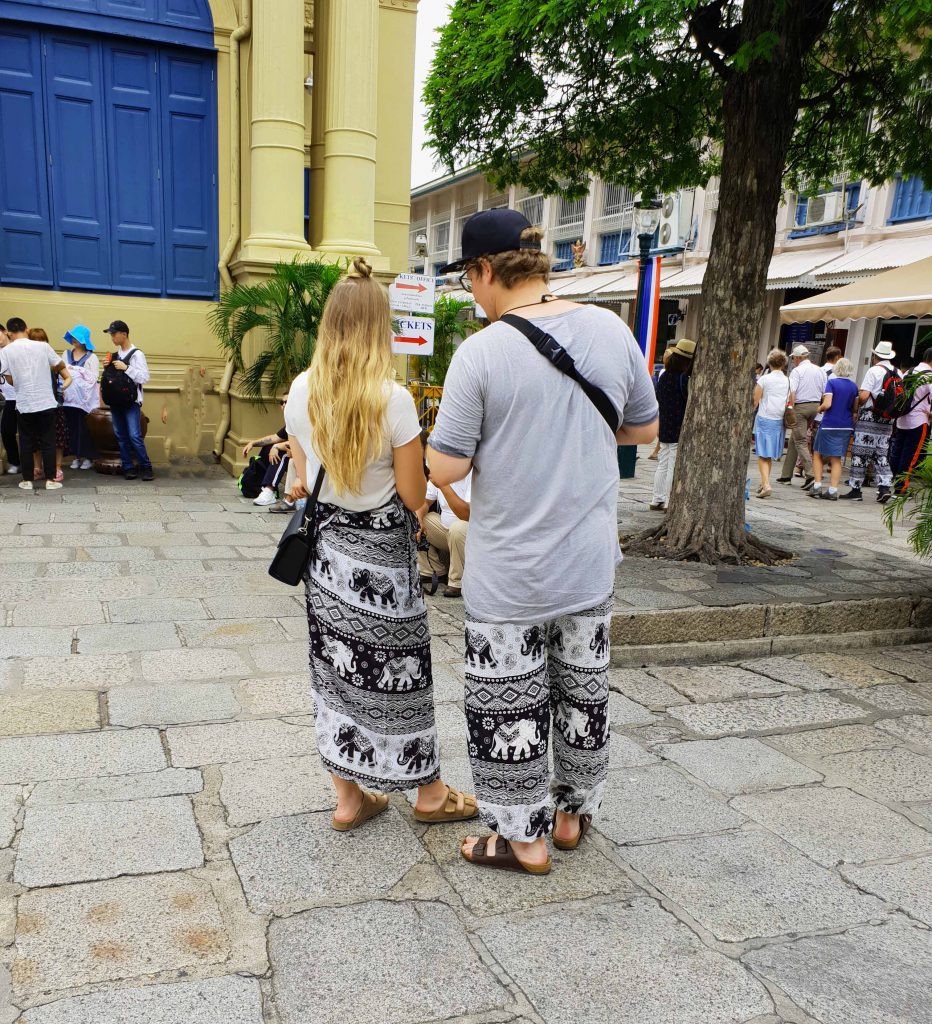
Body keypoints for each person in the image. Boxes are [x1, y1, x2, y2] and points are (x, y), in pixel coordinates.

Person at [428, 208, 658, 875]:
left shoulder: (482, 353)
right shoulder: (610, 330)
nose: (471, 293)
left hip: (509, 573)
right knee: (583, 692)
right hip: (587, 564)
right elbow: (644, 429)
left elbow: (445, 467)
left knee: (509, 701)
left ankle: (519, 839)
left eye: (469, 279)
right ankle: (569, 815)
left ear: (486, 270)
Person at [284, 257, 477, 833]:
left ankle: (349, 796)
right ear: (379, 326)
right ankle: (429, 792)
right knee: (401, 670)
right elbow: (415, 494)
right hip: (382, 560)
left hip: (326, 557)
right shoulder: (391, 400)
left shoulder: (300, 390)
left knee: (336, 670)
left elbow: (301, 469)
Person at [0, 317, 72, 491]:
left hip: (24, 403)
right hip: (46, 401)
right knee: (48, 440)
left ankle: (27, 480)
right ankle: (50, 480)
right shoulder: (43, 346)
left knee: (26, 442)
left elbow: (9, 380)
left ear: (9, 332)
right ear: (27, 328)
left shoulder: (6, 351)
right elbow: (61, 368)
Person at [841, 340, 899, 502]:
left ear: (875, 356)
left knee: (860, 452)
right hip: (888, 419)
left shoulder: (874, 371)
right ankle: (884, 487)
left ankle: (856, 489)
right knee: (881, 452)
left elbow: (865, 395)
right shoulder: (897, 372)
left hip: (870, 417)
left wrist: (856, 405)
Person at [103, 321, 154, 481]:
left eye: (114, 333)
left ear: (124, 334)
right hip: (116, 401)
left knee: (134, 436)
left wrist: (126, 368)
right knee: (121, 435)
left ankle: (146, 467)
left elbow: (144, 377)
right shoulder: (115, 354)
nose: (112, 337)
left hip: (131, 402)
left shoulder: (137, 354)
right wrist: (107, 366)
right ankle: (128, 467)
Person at [650, 338, 694, 511]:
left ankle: (657, 498)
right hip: (678, 424)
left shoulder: (664, 376)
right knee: (673, 464)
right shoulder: (683, 379)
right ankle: (669, 500)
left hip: (665, 423)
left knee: (663, 461)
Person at [809, 358, 859, 500]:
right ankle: (832, 490)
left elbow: (827, 404)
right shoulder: (854, 386)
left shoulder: (831, 383)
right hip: (845, 425)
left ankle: (817, 486)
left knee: (818, 454)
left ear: (837, 369)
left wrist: (818, 409)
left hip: (830, 423)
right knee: (836, 458)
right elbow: (855, 408)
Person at [416, 470, 471, 598]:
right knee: (417, 519)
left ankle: (457, 582)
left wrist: (443, 484)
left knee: (458, 527)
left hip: (469, 534)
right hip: (446, 532)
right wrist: (418, 519)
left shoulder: (472, 473)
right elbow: (424, 502)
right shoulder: (441, 470)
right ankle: (432, 570)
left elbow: (466, 515)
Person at [778, 344, 826, 489]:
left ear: (799, 358)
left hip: (800, 406)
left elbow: (792, 392)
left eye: (793, 358)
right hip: (815, 406)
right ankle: (786, 475)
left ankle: (811, 474)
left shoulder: (797, 371)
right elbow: (824, 391)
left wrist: (790, 408)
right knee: (795, 438)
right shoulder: (820, 370)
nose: (793, 361)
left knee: (800, 440)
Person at [889, 346, 932, 495]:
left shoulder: (909, 371)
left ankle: (889, 482)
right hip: (918, 421)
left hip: (902, 419)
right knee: (910, 456)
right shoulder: (930, 376)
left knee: (897, 452)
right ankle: (901, 488)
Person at [27, 329, 66, 482]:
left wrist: (61, 388)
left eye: (42, 340)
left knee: (57, 438)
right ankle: (38, 467)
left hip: (53, 403)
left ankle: (57, 467)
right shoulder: (27, 361)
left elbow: (67, 376)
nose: (40, 344)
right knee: (35, 438)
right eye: (36, 341)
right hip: (34, 403)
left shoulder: (52, 360)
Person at [753, 348, 790, 498]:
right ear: (783, 364)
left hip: (764, 416)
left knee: (762, 454)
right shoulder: (788, 380)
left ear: (769, 363)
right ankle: (764, 482)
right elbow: (791, 400)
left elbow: (755, 400)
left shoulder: (764, 379)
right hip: (779, 419)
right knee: (768, 454)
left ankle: (766, 484)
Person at [62, 325, 100, 470]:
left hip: (85, 400)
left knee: (84, 427)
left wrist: (77, 373)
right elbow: (62, 371)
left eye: (76, 337)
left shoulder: (92, 357)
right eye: (72, 337)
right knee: (71, 427)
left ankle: (87, 456)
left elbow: (93, 378)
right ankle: (76, 456)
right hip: (68, 398)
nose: (73, 340)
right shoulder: (66, 354)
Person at [242, 403, 292, 507]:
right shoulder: (291, 423)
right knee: (267, 448)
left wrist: (277, 447)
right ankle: (261, 485)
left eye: (287, 402)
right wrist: (253, 443)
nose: (284, 405)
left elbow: (300, 444)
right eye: (282, 403)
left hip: (309, 455)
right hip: (297, 453)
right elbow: (274, 438)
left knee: (281, 453)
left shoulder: (305, 419)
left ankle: (269, 491)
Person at [0, 324, 19, 475]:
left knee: (28, 432)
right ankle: (14, 461)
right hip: (9, 398)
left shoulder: (16, 349)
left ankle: (34, 463)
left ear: (5, 332)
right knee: (6, 430)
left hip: (23, 395)